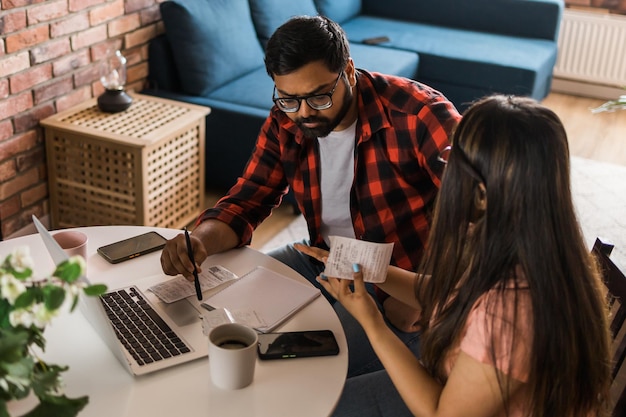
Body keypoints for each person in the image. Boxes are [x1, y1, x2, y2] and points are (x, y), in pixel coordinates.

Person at [160, 15, 461, 377]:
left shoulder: (419, 115)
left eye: (319, 96)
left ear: (349, 71)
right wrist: (199, 241)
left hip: (401, 282)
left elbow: (487, 221)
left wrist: (425, 293)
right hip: (323, 256)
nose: (303, 112)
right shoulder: (286, 119)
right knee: (214, 312)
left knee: (307, 372)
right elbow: (247, 202)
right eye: (289, 98)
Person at [299, 95, 612, 416]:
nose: (446, 171)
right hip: (447, 380)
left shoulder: (510, 310)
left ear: (482, 193)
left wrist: (372, 321)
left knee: (319, 404)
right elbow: (447, 296)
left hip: (442, 401)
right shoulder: (530, 243)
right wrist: (363, 263)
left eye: (452, 160)